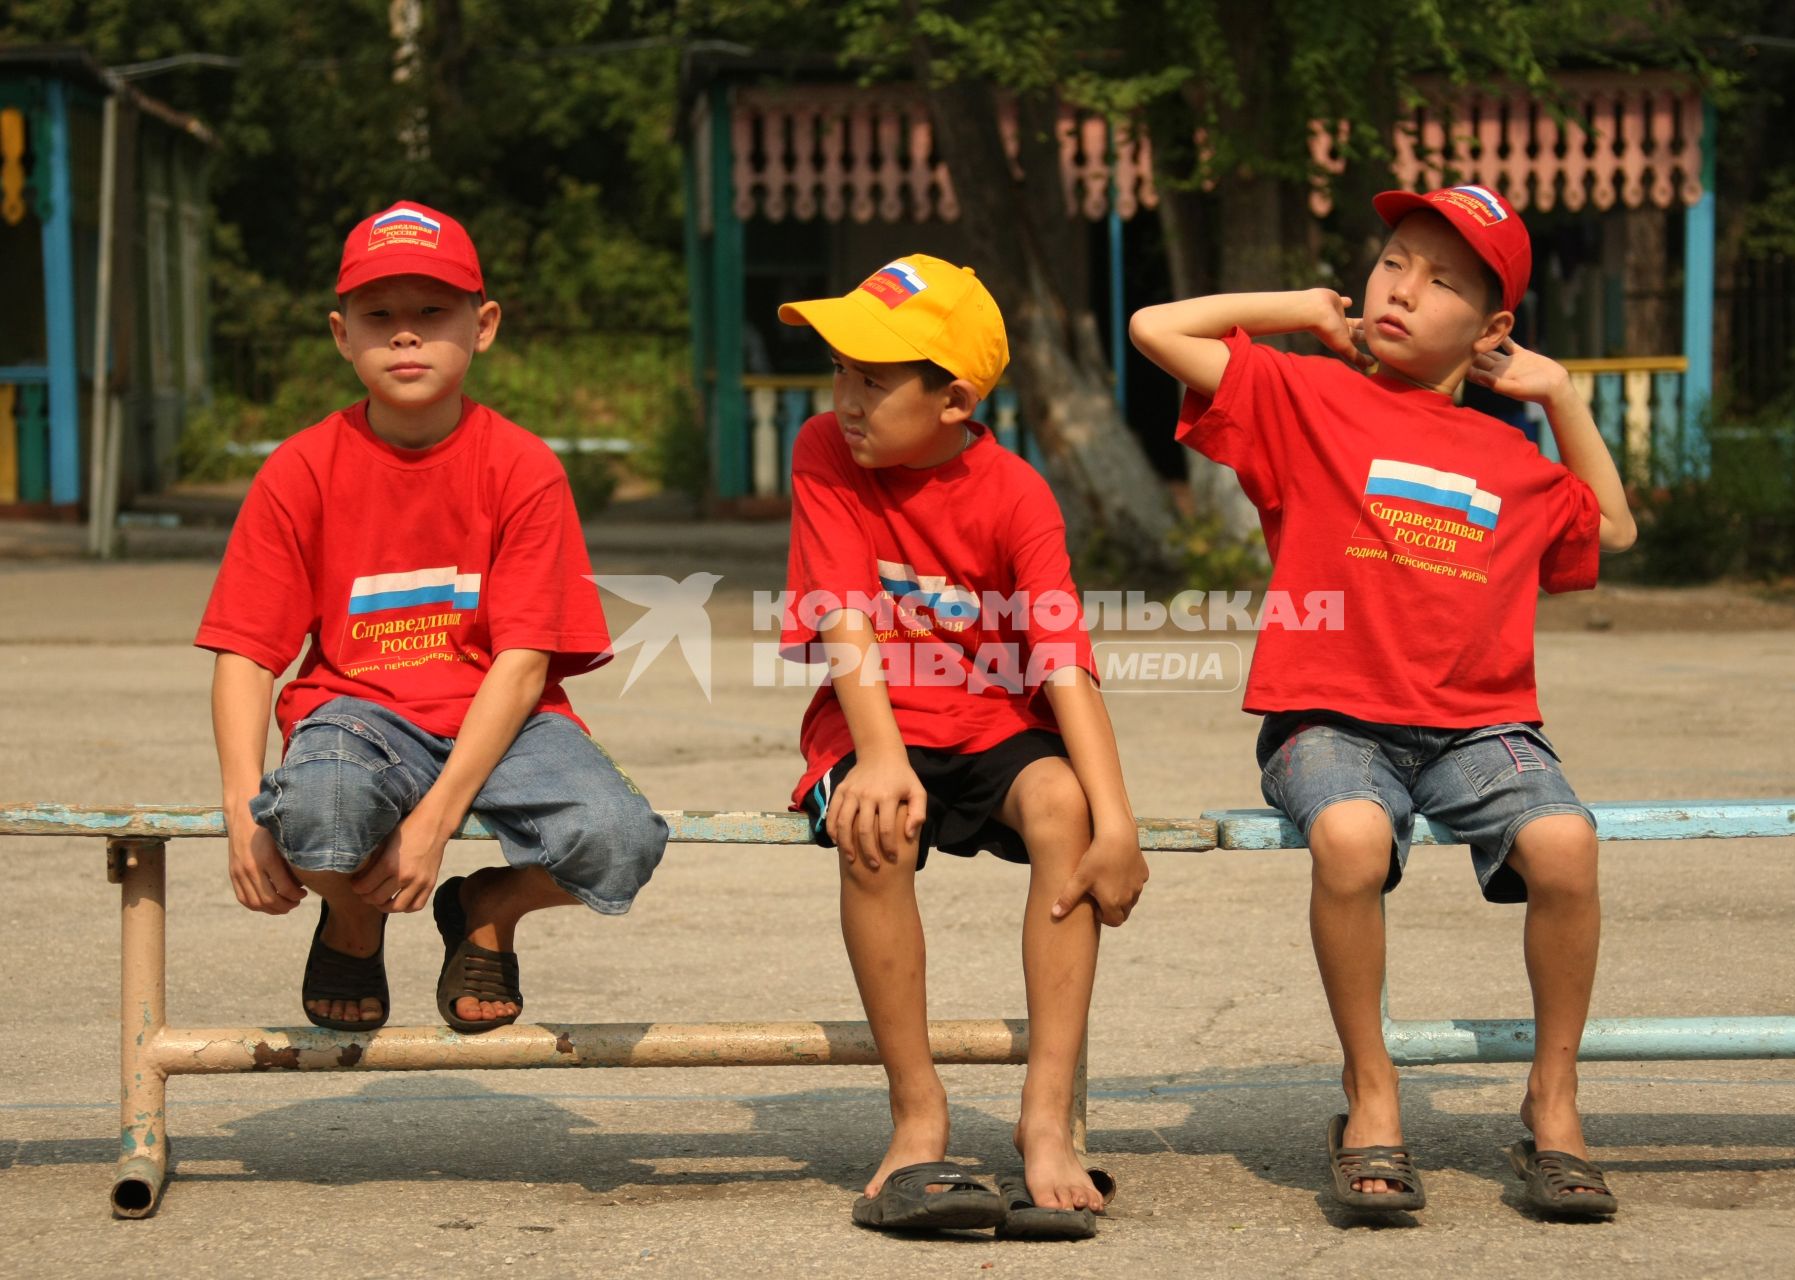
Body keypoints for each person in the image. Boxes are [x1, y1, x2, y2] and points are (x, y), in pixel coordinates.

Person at [1130, 185, 1635, 1218]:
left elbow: (1613, 529)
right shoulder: (1304, 396)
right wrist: (1301, 308)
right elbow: (1154, 328)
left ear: (1492, 328)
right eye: (1395, 260)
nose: (1403, 288)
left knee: (1568, 845)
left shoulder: (1512, 458)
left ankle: (1555, 1097)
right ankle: (1370, 1089)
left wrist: (1563, 394)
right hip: (1329, 719)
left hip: (1478, 728)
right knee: (1354, 838)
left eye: (1443, 281)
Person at [196, 201, 669, 1037]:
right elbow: (245, 650)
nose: (405, 337)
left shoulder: (522, 467)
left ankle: (486, 905)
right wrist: (242, 817)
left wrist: (433, 825)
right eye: (380, 317)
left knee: (619, 839)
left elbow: (524, 662)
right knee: (311, 810)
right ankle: (352, 921)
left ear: (482, 326)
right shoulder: (299, 469)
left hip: (503, 716)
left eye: (431, 314)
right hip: (359, 713)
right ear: (342, 335)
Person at [777, 255, 1148, 1239]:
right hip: (869, 718)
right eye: (841, 369)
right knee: (877, 819)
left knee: (1065, 807)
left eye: (874, 378)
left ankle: (1044, 1123)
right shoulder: (823, 449)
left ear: (954, 399)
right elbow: (845, 619)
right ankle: (917, 1116)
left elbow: (1064, 660)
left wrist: (1117, 821)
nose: (845, 397)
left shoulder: (1018, 494)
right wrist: (883, 757)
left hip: (986, 717)